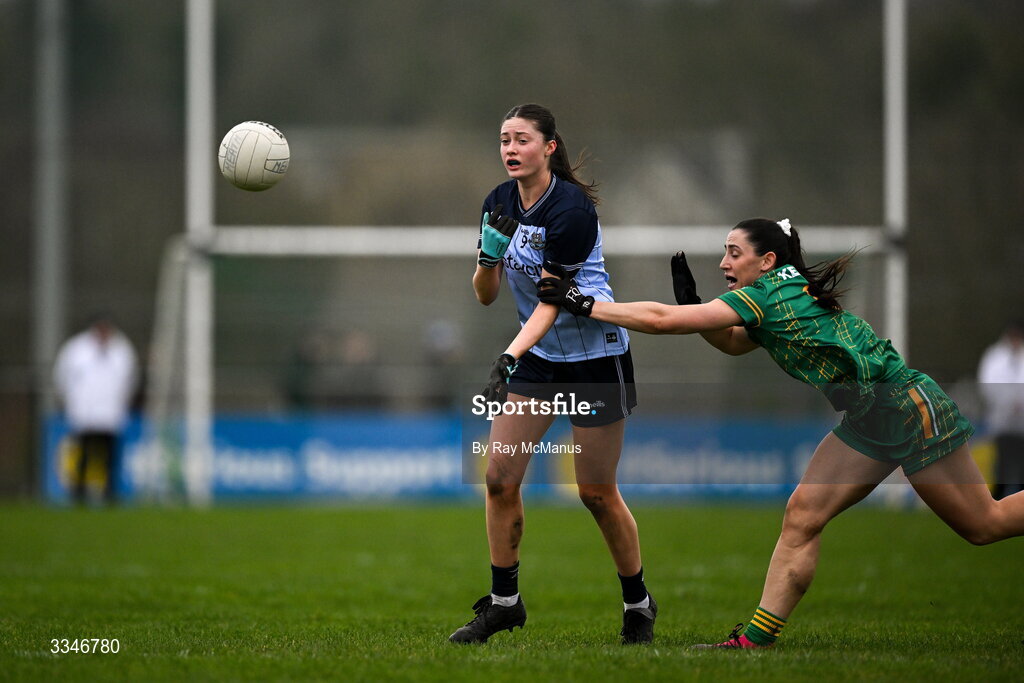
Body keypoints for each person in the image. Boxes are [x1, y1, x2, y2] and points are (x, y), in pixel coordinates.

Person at [538, 217, 1024, 648]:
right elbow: (731, 344)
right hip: (870, 419)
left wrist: (585, 303)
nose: (725, 261)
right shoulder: (780, 292)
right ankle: (754, 639)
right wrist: (697, 307)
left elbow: (662, 321)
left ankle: (754, 638)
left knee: (984, 525)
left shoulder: (767, 294)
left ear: (767, 260)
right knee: (802, 515)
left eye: (735, 252)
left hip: (905, 406)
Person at [449, 104, 656, 645]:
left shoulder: (571, 209)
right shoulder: (497, 201)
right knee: (498, 479)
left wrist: (508, 357)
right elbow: (485, 294)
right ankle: (503, 604)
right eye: (503, 139)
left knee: (595, 492)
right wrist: (485, 260)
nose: (510, 149)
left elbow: (553, 304)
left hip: (594, 358)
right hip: (539, 359)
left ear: (550, 147)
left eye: (521, 139)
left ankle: (638, 601)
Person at [53, 313, 139, 505]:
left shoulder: (122, 350)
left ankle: (109, 493)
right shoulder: (76, 349)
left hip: (111, 412)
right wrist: (70, 402)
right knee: (83, 453)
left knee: (109, 456)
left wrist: (123, 402)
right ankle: (78, 492)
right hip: (84, 411)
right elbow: (61, 377)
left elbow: (130, 380)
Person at [977, 319, 1024, 499]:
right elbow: (988, 384)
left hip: (1021, 425)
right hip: (1002, 423)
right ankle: (998, 504)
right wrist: (1008, 402)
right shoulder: (995, 356)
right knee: (1003, 468)